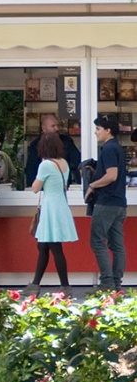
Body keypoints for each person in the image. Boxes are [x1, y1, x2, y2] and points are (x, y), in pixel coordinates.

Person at [23, 132, 78, 298]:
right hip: (60, 206)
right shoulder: (64, 163)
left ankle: (65, 286)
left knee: (54, 247)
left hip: (50, 208)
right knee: (44, 246)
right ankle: (35, 284)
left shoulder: (45, 165)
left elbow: (34, 188)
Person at [84, 115, 126, 291]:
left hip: (106, 202)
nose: (95, 132)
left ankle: (107, 283)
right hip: (119, 203)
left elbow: (111, 175)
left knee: (97, 241)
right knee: (117, 245)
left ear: (108, 130)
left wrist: (92, 185)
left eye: (98, 129)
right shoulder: (117, 148)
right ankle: (116, 283)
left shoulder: (108, 148)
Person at [26, 114, 81, 187]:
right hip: (43, 188)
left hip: (64, 187)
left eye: (58, 125)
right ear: (44, 128)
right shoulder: (36, 145)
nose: (57, 128)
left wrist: (80, 183)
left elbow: (77, 161)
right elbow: (31, 169)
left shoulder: (66, 141)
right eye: (53, 126)